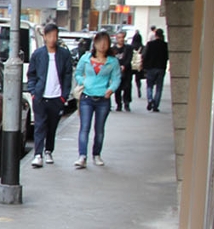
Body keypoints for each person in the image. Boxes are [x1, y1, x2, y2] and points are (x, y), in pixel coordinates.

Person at [26, 22, 74, 168]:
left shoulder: (64, 54)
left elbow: (67, 75)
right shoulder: (38, 54)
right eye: (50, 36)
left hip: (57, 97)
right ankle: (38, 154)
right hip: (40, 96)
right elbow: (32, 74)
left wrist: (64, 96)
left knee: (52, 126)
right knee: (40, 125)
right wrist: (33, 92)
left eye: (55, 36)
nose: (52, 39)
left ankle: (48, 150)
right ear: (45, 37)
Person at [72, 30, 122, 168]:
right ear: (95, 43)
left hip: (103, 99)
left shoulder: (112, 62)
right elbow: (77, 73)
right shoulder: (86, 58)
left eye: (105, 42)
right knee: (84, 127)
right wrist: (83, 82)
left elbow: (117, 78)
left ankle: (96, 154)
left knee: (99, 129)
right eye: (100, 42)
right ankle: (82, 155)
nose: (102, 45)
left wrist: (111, 89)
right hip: (87, 97)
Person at [143, 28, 170, 111]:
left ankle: (150, 99)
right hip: (161, 68)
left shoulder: (150, 44)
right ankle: (155, 106)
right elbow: (167, 57)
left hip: (150, 67)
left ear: (155, 35)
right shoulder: (165, 45)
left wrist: (144, 66)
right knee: (159, 87)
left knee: (149, 85)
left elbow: (145, 55)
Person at [112, 31, 134, 111]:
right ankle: (118, 104)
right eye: (119, 37)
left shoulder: (128, 48)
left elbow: (129, 58)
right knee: (117, 88)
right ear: (116, 38)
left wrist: (124, 65)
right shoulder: (113, 49)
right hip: (117, 72)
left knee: (127, 87)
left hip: (127, 71)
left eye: (122, 37)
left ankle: (127, 103)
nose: (121, 39)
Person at [131, 30, 146, 97]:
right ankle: (138, 89)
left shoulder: (130, 47)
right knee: (138, 79)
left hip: (131, 65)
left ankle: (129, 90)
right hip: (139, 65)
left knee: (129, 79)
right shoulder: (142, 47)